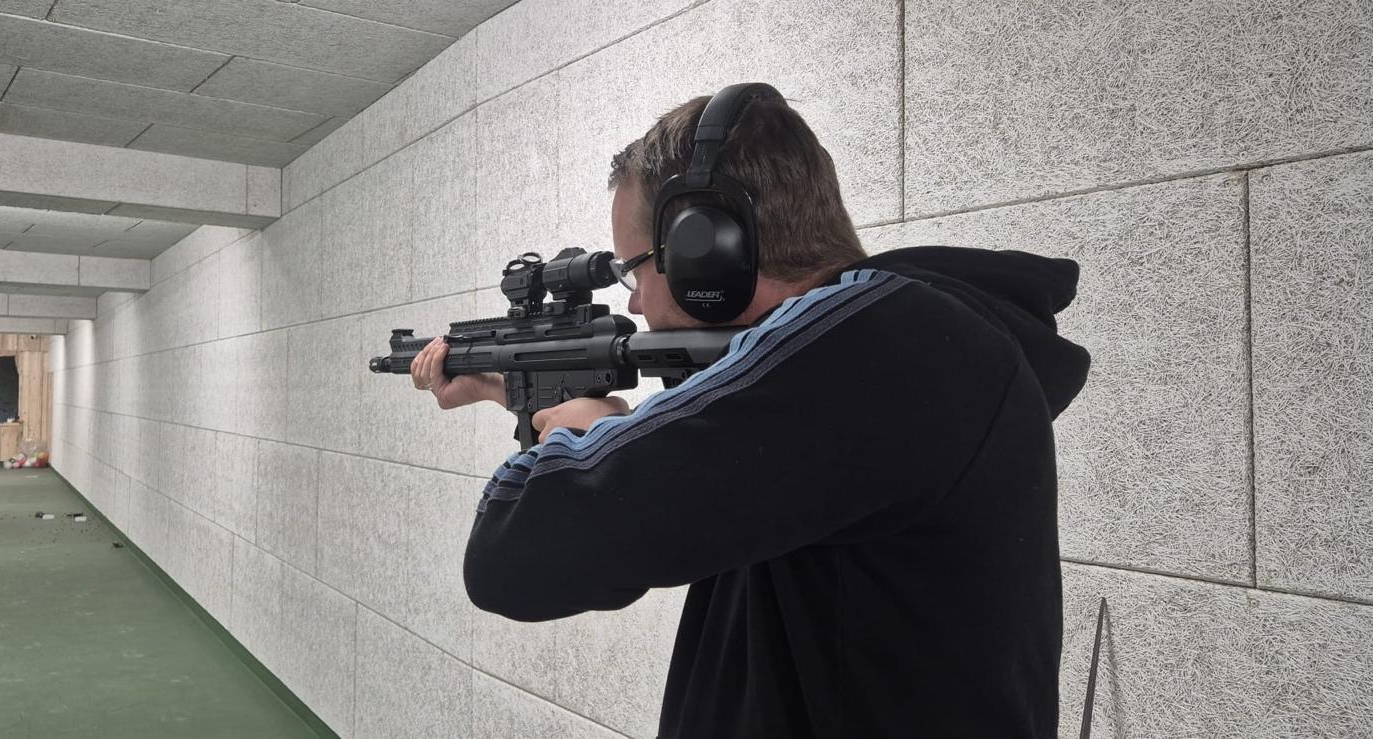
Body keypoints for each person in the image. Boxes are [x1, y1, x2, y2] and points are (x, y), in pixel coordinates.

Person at [406, 91, 1091, 737]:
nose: (635, 302)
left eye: (636, 268)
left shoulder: (882, 345)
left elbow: (513, 558)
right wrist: (518, 394)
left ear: (707, 250)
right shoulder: (910, 356)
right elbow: (706, 476)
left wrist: (584, 432)